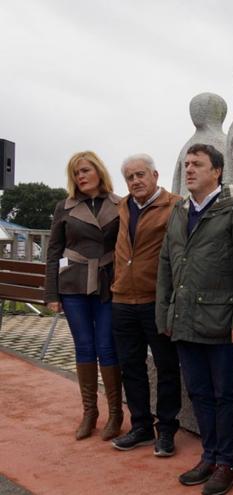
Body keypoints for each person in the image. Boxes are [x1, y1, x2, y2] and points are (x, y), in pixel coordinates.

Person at [156, 143, 233, 495]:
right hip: (184, 321)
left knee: (225, 395)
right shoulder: (180, 212)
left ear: (216, 170)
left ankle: (227, 462)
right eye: (186, 164)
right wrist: (165, 313)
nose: (188, 170)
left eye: (196, 164)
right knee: (198, 392)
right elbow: (166, 265)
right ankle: (209, 455)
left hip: (221, 323)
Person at [44, 151, 123, 441]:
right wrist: (51, 293)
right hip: (73, 285)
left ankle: (116, 414)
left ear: (99, 171)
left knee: (107, 347)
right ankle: (90, 412)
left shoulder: (119, 204)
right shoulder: (64, 207)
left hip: (107, 284)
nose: (81, 177)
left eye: (86, 170)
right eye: (77, 173)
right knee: (84, 347)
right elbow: (53, 251)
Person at [109, 154, 182, 456]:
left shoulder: (175, 205)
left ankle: (166, 429)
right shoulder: (123, 206)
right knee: (131, 366)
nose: (136, 181)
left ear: (155, 174)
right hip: (123, 298)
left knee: (166, 367)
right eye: (130, 177)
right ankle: (140, 425)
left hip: (156, 299)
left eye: (141, 174)